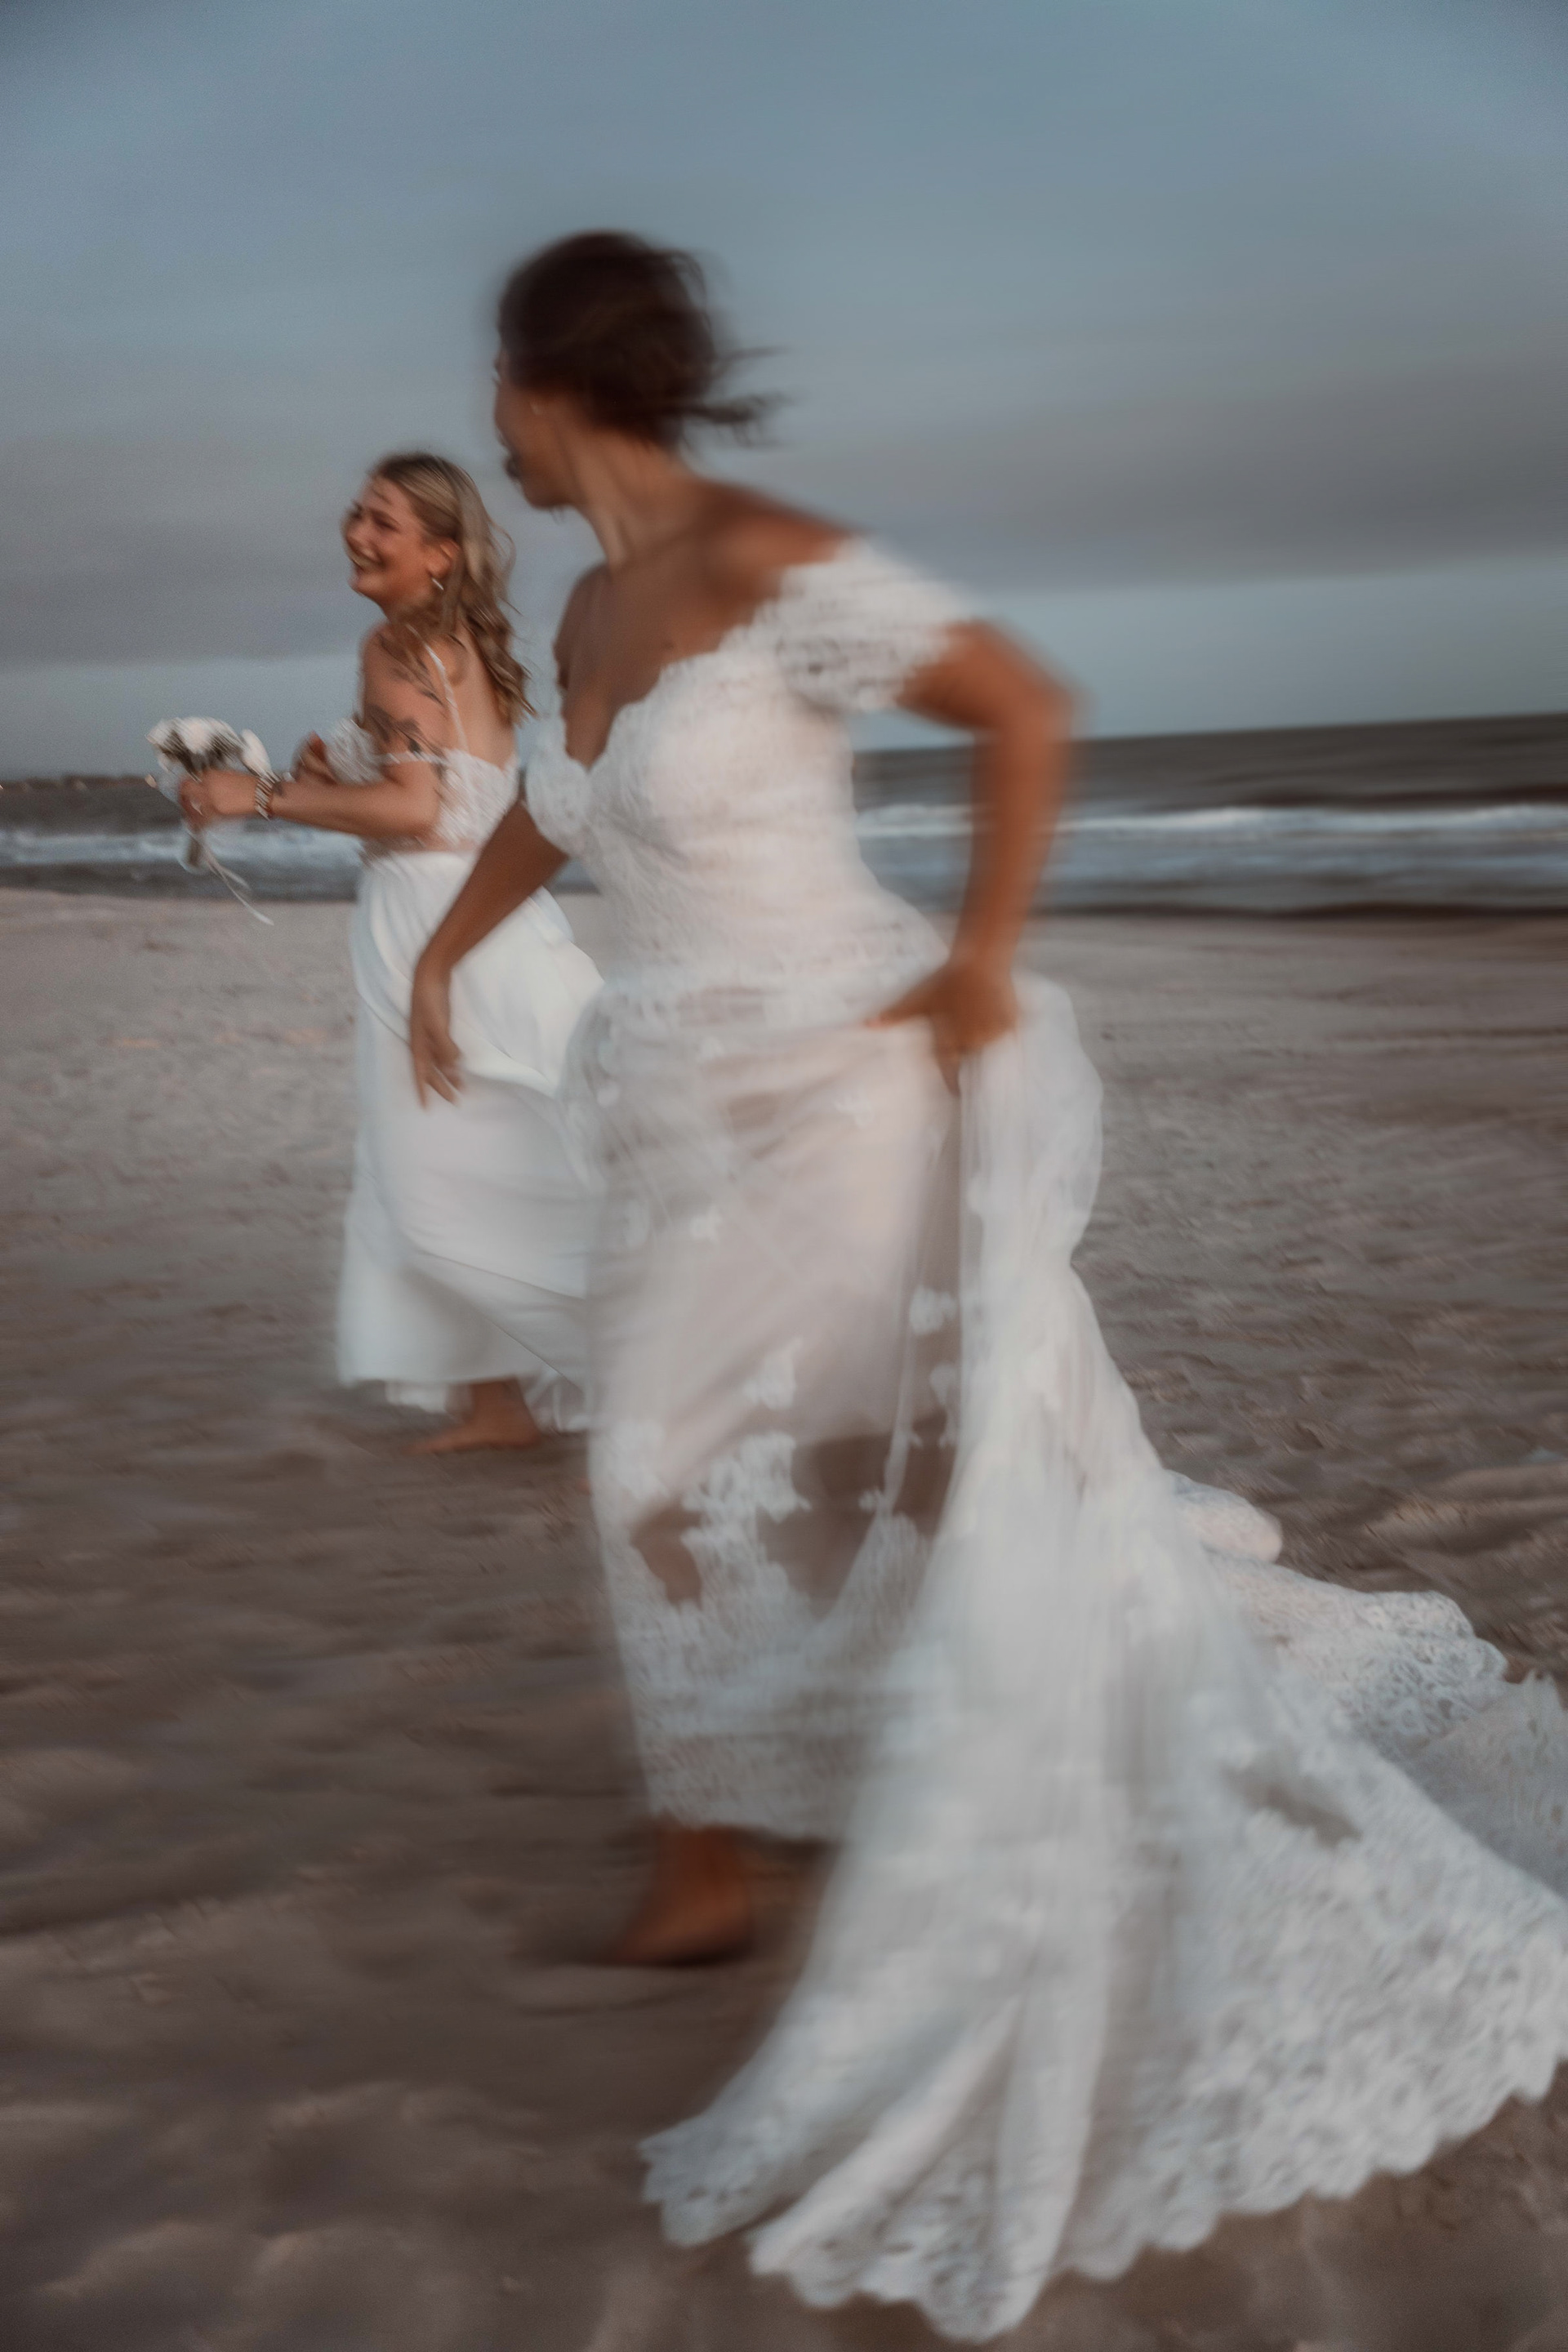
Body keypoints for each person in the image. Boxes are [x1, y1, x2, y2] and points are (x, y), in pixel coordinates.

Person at [409, 234, 1568, 2337]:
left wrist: (973, 956)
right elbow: (547, 812)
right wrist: (432, 944)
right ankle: (712, 1849)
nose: (487, 415)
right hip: (672, 1107)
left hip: (844, 1088)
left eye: (495, 381)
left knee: (892, 1460)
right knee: (656, 1466)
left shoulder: (768, 554)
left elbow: (1022, 707)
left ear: (544, 377)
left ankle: (862, 1808)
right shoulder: (577, 603)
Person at [185, 452, 599, 1452]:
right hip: (485, 917)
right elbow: (436, 795)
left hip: (437, 924)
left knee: (447, 1179)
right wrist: (333, 780)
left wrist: (264, 798)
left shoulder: (397, 644)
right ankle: (494, 1403)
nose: (358, 535)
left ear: (441, 554)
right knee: (490, 1156)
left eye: (385, 522)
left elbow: (418, 812)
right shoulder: (449, 641)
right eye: (356, 514)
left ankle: (649, 1381)